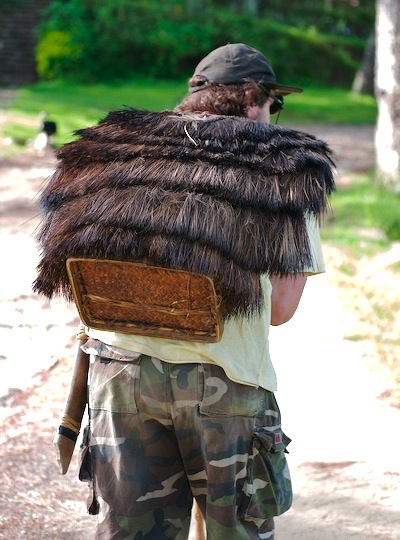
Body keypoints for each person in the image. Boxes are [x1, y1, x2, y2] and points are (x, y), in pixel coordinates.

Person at [34, 43, 335, 539]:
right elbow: (280, 309)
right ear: (253, 98)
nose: (275, 116)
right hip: (224, 384)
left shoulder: (117, 147)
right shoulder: (287, 167)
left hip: (120, 372)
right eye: (274, 103)